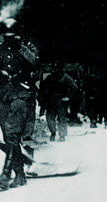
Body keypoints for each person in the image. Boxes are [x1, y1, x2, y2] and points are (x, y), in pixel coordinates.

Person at [0, 18, 39, 190]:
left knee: (11, 133)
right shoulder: (0, 49)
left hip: (22, 95)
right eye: (6, 36)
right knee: (8, 137)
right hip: (4, 95)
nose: (9, 39)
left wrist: (21, 45)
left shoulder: (26, 46)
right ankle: (19, 173)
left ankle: (6, 175)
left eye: (12, 35)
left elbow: (34, 62)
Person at [40, 61, 79, 142]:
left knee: (61, 118)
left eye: (57, 68)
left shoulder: (65, 77)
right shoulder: (50, 77)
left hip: (61, 100)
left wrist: (68, 97)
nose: (56, 70)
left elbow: (74, 87)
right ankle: (54, 133)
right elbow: (43, 87)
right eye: (54, 69)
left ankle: (61, 135)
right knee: (51, 117)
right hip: (52, 100)